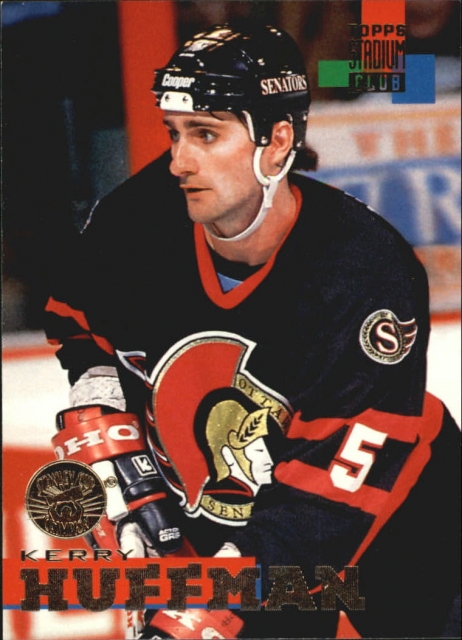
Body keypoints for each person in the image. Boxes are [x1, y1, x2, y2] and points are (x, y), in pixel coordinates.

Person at [45, 23, 460, 639]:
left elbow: (328, 500)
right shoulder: (132, 224)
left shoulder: (366, 272)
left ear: (278, 141)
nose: (179, 161)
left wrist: (212, 596)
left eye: (206, 134)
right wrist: (104, 411)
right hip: (230, 515)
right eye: (174, 132)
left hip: (392, 515)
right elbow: (80, 328)